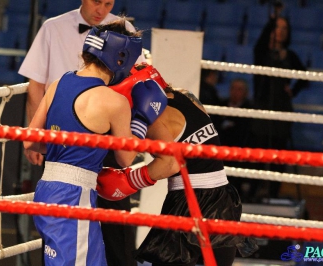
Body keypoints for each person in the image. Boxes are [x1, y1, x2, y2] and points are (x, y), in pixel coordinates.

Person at [23, 21, 167, 265]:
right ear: (121, 57)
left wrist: (71, 149)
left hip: (48, 187)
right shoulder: (114, 102)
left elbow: (30, 143)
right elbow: (125, 159)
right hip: (74, 196)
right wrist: (141, 121)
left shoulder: (59, 82)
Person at [96, 63, 259, 266]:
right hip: (222, 197)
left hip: (188, 201)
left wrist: (129, 179)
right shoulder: (187, 96)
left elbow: (170, 164)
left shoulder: (153, 120)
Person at [250, 6, 308, 200]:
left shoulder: (290, 55)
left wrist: (293, 91)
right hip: (263, 106)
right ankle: (252, 192)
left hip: (282, 109)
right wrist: (272, 19)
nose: (280, 31)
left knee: (278, 154)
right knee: (258, 152)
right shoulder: (262, 52)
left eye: (284, 28)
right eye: (277, 27)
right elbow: (259, 46)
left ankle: (273, 193)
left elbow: (305, 77)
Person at [219, 78, 255, 203]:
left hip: (239, 152)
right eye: (233, 88)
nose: (235, 92)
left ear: (246, 93)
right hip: (220, 151)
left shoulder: (250, 110)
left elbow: (247, 135)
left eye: (239, 89)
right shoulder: (220, 106)